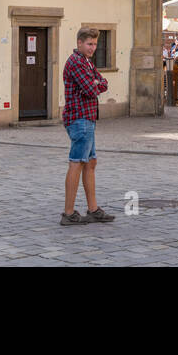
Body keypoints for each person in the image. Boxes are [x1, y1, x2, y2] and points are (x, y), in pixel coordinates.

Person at [61, 26, 114, 224]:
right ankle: (68, 213)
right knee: (77, 163)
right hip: (79, 118)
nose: (92, 48)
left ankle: (93, 209)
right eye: (89, 44)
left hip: (88, 117)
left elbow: (102, 82)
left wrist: (95, 83)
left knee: (90, 163)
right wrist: (94, 84)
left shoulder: (87, 62)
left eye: (94, 44)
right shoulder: (76, 62)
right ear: (79, 43)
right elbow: (89, 89)